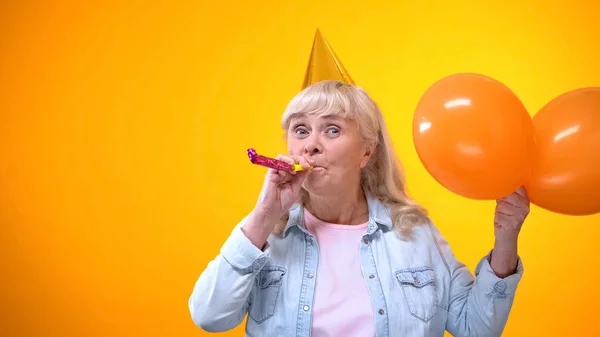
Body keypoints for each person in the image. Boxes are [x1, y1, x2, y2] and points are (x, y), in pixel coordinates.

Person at [188, 80, 530, 336]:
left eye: (332, 130)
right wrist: (264, 216)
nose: (311, 146)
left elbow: (476, 328)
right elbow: (209, 316)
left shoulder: (414, 233)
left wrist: (506, 240)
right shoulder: (263, 237)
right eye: (301, 130)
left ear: (366, 152)